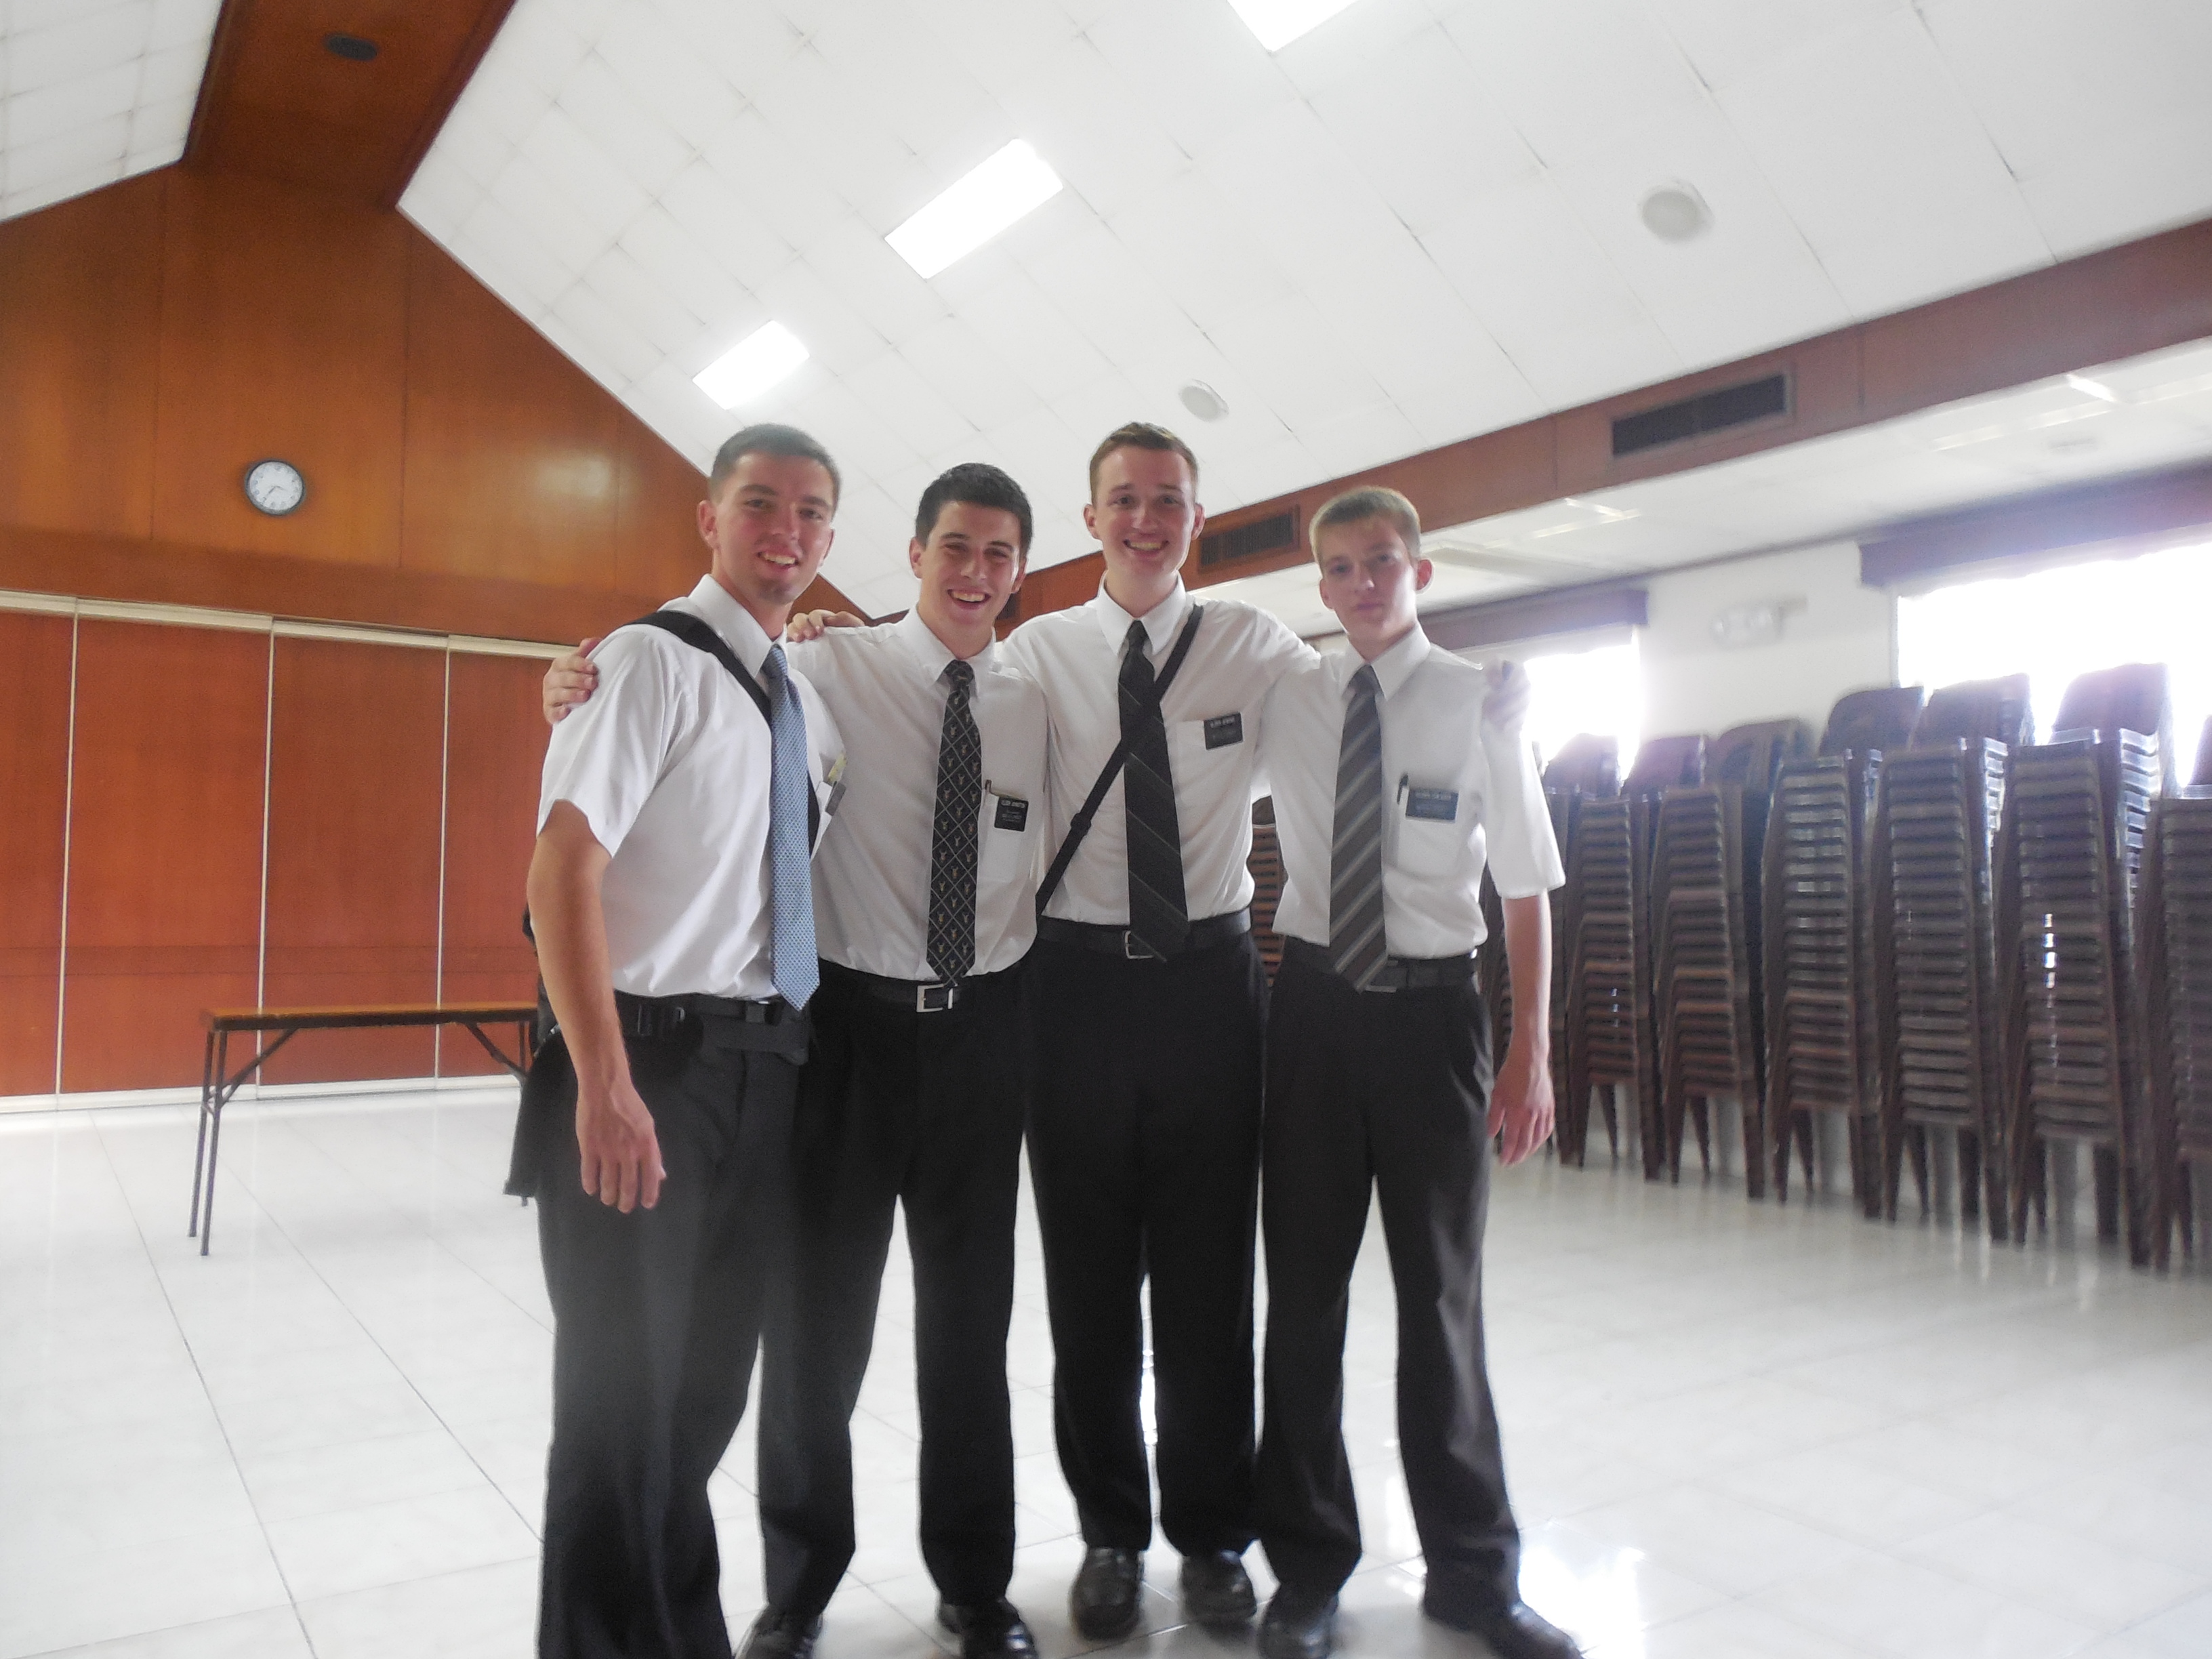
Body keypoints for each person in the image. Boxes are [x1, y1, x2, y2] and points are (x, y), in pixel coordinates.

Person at [541, 465, 1049, 1659]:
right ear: (912, 554)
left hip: (980, 1035)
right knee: (814, 1329)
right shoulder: (824, 665)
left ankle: (976, 1583)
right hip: (844, 1034)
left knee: (971, 1329)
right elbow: (655, 698)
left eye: (999, 554)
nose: (974, 572)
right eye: (955, 547)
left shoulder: (1036, 699)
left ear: (1021, 571)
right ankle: (800, 1583)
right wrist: (567, 683)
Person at [518, 422, 845, 1659]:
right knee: (620, 1407)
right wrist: (603, 1082)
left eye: (811, 512)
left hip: (763, 1071)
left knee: (702, 1398)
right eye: (760, 504)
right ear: (709, 519)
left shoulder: (799, 696)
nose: (786, 531)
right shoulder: (644, 662)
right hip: (644, 1067)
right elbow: (561, 872)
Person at [1250, 487, 1580, 1659]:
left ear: (1421, 571)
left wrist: (1531, 1047)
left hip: (1436, 1022)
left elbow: (1526, 885)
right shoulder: (1290, 693)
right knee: (1303, 1301)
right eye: (1340, 568)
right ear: (1321, 586)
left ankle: (1475, 1576)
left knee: (1441, 1304)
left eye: (1382, 561)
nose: (1363, 585)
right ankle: (1305, 1570)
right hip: (1312, 1016)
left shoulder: (1482, 700)